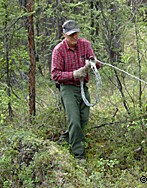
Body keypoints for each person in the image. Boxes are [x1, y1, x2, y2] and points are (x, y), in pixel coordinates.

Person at [51, 20, 101, 160]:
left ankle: (63, 141)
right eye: (71, 35)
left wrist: (93, 63)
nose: (74, 37)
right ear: (64, 34)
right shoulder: (59, 50)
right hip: (67, 88)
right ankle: (78, 155)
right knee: (74, 120)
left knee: (83, 119)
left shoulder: (85, 45)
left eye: (76, 34)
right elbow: (55, 74)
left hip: (83, 87)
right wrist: (74, 74)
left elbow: (95, 64)